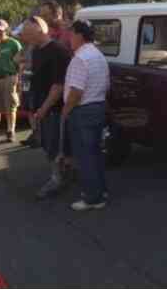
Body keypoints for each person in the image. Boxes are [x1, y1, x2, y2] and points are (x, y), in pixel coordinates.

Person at [20, 16, 72, 199]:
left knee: (55, 145)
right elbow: (36, 77)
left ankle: (57, 180)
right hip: (41, 105)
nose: (24, 36)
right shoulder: (36, 50)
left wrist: (43, 109)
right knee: (49, 144)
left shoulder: (58, 51)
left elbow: (58, 86)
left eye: (27, 32)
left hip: (55, 108)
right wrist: (33, 105)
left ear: (40, 30)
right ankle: (61, 174)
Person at [62, 20, 110, 211]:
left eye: (71, 34)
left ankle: (92, 198)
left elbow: (76, 91)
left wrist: (66, 109)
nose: (69, 38)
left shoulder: (80, 58)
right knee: (95, 153)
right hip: (98, 107)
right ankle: (100, 191)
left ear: (80, 35)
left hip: (82, 111)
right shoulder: (98, 55)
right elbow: (106, 85)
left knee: (85, 156)